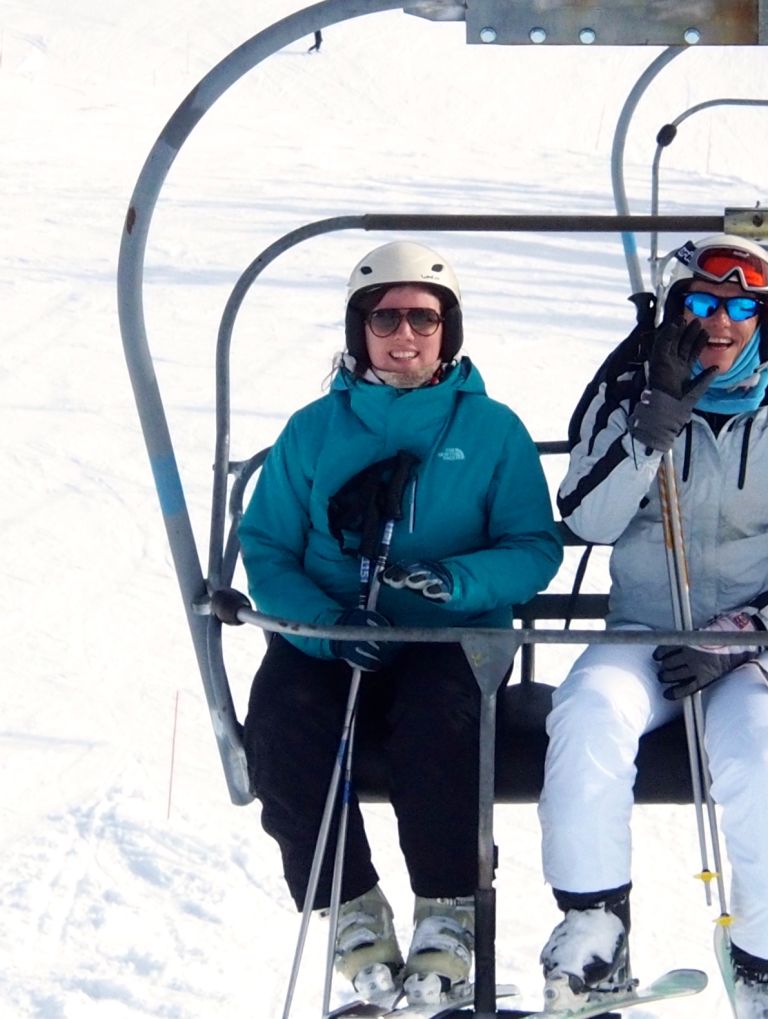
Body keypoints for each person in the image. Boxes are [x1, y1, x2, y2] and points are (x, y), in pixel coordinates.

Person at [539, 235, 768, 1019]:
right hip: (643, 631)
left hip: (756, 649)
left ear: (766, 320)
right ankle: (594, 924)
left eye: (741, 306)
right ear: (676, 312)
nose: (720, 321)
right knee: (586, 715)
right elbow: (586, 517)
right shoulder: (626, 400)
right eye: (702, 303)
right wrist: (651, 428)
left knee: (760, 759)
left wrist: (743, 630)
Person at [239, 241, 563, 1006]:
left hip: (450, 635)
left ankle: (448, 908)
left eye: (424, 317)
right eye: (386, 317)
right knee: (283, 717)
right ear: (360, 330)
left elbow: (532, 546)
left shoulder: (490, 430)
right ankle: (351, 907)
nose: (405, 334)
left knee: (438, 720)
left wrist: (458, 582)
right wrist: (322, 625)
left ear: (448, 329)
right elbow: (269, 545)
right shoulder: (315, 431)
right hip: (333, 629)